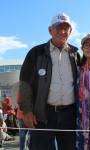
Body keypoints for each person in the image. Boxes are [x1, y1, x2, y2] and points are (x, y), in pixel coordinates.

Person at [18, 13, 80, 150]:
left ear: (70, 31)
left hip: (69, 115)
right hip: (43, 115)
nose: (62, 31)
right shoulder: (35, 53)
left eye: (66, 28)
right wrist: (27, 111)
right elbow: (24, 84)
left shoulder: (75, 54)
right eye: (58, 28)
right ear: (50, 30)